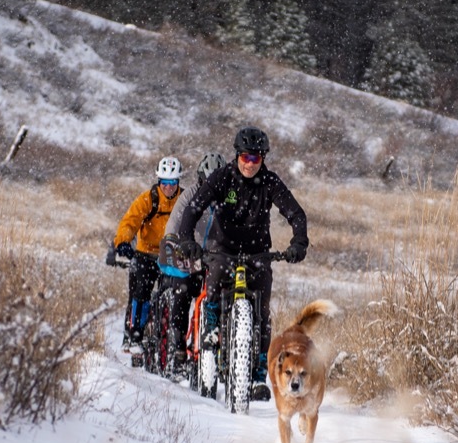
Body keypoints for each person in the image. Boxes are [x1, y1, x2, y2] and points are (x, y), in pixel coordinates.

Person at [176, 127, 309, 401]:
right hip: (223, 252)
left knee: (261, 312)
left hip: (258, 254)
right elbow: (193, 208)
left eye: (256, 158)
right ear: (237, 155)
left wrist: (298, 243)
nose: (250, 164)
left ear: (263, 158)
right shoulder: (222, 178)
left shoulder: (270, 182)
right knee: (211, 296)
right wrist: (187, 239)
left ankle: (258, 375)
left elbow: (295, 213)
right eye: (246, 157)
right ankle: (209, 347)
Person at [156, 152, 226, 380]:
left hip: (218, 256)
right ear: (200, 180)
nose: (212, 189)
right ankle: (177, 344)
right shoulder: (190, 196)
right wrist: (174, 240)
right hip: (191, 252)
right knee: (184, 289)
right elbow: (175, 221)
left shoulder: (230, 197)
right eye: (207, 183)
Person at [111, 156, 183, 356]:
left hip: (172, 255)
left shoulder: (184, 200)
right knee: (140, 292)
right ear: (159, 181)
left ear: (178, 182)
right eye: (165, 183)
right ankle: (134, 335)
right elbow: (130, 221)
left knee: (180, 294)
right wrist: (123, 241)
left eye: (173, 183)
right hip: (147, 253)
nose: (169, 187)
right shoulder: (148, 199)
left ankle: (175, 341)